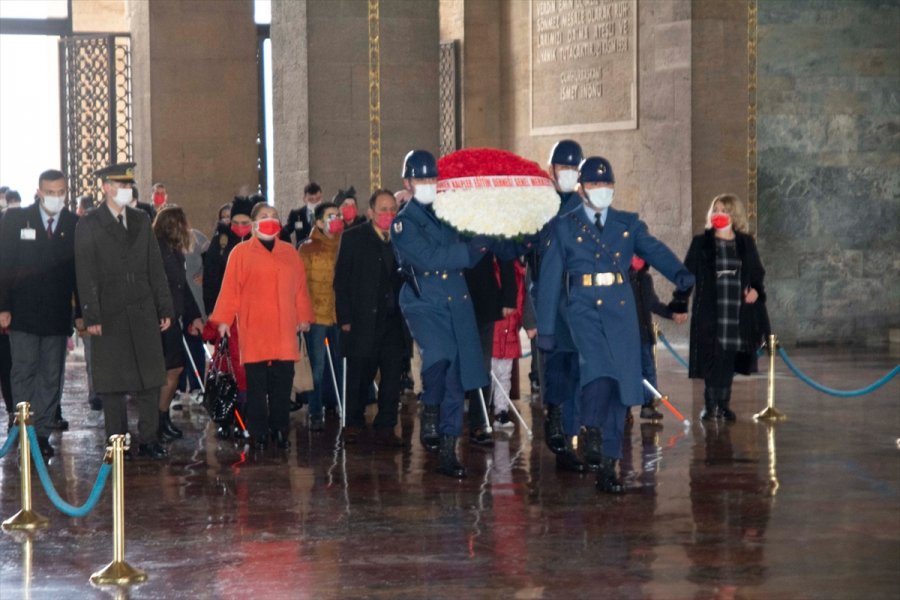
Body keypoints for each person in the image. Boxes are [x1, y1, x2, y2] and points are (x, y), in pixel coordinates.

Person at [536, 156, 694, 494]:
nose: (601, 190)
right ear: (581, 188)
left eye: (607, 185)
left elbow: (656, 252)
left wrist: (684, 279)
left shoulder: (628, 224)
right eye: (594, 184)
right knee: (599, 367)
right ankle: (590, 429)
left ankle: (608, 465)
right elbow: (549, 280)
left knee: (620, 390)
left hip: (621, 309)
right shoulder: (564, 225)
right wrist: (546, 329)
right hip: (582, 306)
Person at [391, 149, 494, 479]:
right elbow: (431, 258)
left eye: (431, 178)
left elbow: (477, 240)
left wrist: (497, 226)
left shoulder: (450, 213)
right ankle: (430, 406)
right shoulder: (403, 225)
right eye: (420, 178)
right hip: (424, 302)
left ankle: (449, 448)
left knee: (457, 375)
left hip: (455, 300)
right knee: (442, 357)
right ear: (407, 182)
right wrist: (473, 248)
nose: (427, 184)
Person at [74, 162, 174, 459]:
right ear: (106, 187)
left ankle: (150, 438)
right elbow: (85, 273)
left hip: (142, 307)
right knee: (113, 382)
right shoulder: (89, 223)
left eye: (129, 185)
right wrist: (91, 315)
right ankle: (117, 440)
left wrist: (163, 305)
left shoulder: (142, 219)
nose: (126, 190)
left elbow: (154, 266)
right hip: (110, 308)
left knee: (149, 377)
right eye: (119, 185)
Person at [209, 202, 314, 450]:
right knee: (256, 385)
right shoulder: (241, 253)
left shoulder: (290, 252)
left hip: (284, 328)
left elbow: (300, 289)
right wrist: (223, 320)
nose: (271, 220)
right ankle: (259, 432)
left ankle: (279, 430)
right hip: (254, 327)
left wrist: (304, 316)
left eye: (275, 216)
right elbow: (230, 289)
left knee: (282, 384)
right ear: (254, 224)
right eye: (265, 216)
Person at [0, 169, 80, 458]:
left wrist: (81, 313)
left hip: (57, 315)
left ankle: (42, 433)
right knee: (23, 371)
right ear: (39, 191)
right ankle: (23, 429)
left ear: (66, 193)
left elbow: (78, 272)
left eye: (60, 192)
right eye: (50, 192)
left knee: (50, 375)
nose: (55, 197)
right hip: (21, 313)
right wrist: (3, 306)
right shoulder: (17, 219)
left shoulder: (73, 224)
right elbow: (5, 265)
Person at [670, 194, 768, 422]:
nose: (718, 214)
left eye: (723, 210)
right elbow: (687, 276)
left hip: (736, 311)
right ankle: (710, 404)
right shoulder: (701, 243)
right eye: (715, 209)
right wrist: (680, 303)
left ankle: (724, 404)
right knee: (711, 358)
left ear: (733, 215)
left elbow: (756, 274)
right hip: (709, 310)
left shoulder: (745, 243)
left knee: (728, 359)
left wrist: (756, 290)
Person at [530, 139, 587, 471]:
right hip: (552, 305)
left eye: (572, 168)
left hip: (580, 304)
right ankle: (557, 426)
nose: (567, 173)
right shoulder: (540, 207)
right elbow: (530, 262)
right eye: (562, 167)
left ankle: (569, 438)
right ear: (551, 169)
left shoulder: (585, 206)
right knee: (558, 373)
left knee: (580, 375)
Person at [334, 189, 405, 446]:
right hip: (362, 319)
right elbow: (340, 281)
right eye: (383, 209)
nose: (388, 214)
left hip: (394, 321)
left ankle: (386, 425)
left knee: (392, 376)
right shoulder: (354, 238)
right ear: (371, 212)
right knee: (359, 375)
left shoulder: (401, 237)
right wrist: (345, 317)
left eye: (392, 209)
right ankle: (353, 423)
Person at [152, 206, 203, 441]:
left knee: (174, 369)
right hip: (162, 321)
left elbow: (183, 287)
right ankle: (156, 420)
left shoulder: (175, 251)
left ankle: (162, 417)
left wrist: (193, 316)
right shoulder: (157, 251)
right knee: (167, 370)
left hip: (175, 318)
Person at [298, 201, 343, 433]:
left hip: (339, 315)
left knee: (339, 364)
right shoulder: (307, 248)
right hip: (316, 316)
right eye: (330, 216)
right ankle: (315, 411)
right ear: (318, 222)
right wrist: (302, 314)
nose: (335, 219)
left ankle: (336, 403)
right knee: (317, 366)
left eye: (338, 215)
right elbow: (300, 285)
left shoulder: (345, 243)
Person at [464, 253, 517, 446]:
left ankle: (479, 422)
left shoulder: (489, 221)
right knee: (449, 361)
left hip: (483, 295)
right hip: (450, 292)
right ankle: (442, 423)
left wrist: (509, 296)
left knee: (481, 364)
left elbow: (505, 250)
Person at [628, 256, 680, 421]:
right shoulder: (620, 278)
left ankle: (648, 405)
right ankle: (624, 409)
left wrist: (671, 313)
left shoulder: (645, 279)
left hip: (643, 334)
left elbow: (652, 303)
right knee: (626, 372)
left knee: (648, 370)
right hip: (626, 336)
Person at [491, 258, 527, 429]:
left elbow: (521, 301)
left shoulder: (519, 271)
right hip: (494, 331)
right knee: (490, 374)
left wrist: (519, 321)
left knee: (505, 375)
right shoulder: (494, 269)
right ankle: (486, 410)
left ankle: (501, 410)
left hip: (510, 330)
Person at [281, 182, 322, 247]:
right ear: (304, 199)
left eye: (318, 199)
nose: (315, 202)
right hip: (302, 250)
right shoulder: (296, 214)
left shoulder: (327, 212)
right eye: (311, 199)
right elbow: (285, 231)